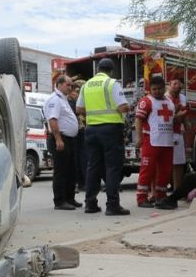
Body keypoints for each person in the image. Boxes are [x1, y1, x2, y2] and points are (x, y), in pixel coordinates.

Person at [76, 58, 131, 215]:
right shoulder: (112, 83)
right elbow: (122, 106)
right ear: (111, 71)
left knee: (93, 166)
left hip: (91, 129)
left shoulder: (86, 85)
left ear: (98, 69)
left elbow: (79, 108)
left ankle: (90, 203)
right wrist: (128, 107)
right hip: (111, 130)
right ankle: (112, 205)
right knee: (112, 167)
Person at [135, 75, 175, 208]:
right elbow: (139, 119)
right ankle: (142, 198)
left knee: (165, 171)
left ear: (164, 88)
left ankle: (161, 197)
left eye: (159, 89)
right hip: (151, 141)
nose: (156, 91)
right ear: (149, 89)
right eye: (154, 89)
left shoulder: (170, 102)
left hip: (167, 142)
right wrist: (139, 137)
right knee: (147, 170)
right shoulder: (146, 101)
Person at [45, 75, 81, 210]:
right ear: (59, 84)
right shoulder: (54, 100)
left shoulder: (64, 99)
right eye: (68, 85)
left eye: (71, 85)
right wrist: (58, 139)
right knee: (61, 171)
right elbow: (53, 120)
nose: (70, 87)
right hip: (61, 139)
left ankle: (69, 198)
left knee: (71, 170)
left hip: (70, 139)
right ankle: (59, 201)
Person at [166, 77, 189, 190]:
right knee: (165, 164)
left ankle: (177, 190)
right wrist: (177, 115)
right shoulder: (165, 99)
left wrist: (185, 123)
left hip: (178, 133)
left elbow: (184, 114)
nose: (178, 86)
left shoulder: (183, 98)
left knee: (179, 163)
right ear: (169, 84)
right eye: (175, 83)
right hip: (166, 134)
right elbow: (165, 118)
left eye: (180, 84)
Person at [68, 80, 87, 192]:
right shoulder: (70, 100)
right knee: (78, 158)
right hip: (76, 132)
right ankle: (80, 182)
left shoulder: (76, 99)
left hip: (81, 131)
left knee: (83, 158)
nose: (77, 93)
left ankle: (82, 182)